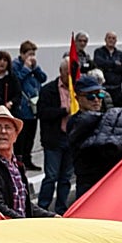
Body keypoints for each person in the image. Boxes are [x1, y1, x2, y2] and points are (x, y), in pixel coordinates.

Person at [0, 106, 56, 218]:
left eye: (8, 127)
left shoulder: (16, 163)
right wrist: (28, 225)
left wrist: (52, 217)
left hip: (18, 228)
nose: (3, 131)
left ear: (15, 135)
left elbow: (25, 205)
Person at [66, 77, 122, 198]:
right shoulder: (77, 122)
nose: (96, 100)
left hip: (107, 180)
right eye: (90, 96)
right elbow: (102, 140)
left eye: (100, 95)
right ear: (78, 99)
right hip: (88, 184)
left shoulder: (103, 118)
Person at [36, 58, 76, 214]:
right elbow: (42, 113)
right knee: (51, 176)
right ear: (61, 72)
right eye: (68, 73)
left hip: (71, 138)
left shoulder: (76, 90)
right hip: (54, 138)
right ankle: (42, 207)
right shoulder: (48, 90)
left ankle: (61, 208)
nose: (70, 77)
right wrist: (63, 111)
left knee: (66, 178)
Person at [12, 41, 46, 170]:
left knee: (31, 136)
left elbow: (43, 78)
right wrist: (26, 69)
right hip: (22, 106)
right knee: (22, 136)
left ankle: (28, 159)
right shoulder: (16, 66)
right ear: (22, 54)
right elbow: (16, 81)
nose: (31, 57)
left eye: (33, 54)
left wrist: (35, 68)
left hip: (34, 106)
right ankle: (19, 160)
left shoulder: (34, 66)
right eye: (29, 54)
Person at [93, 31, 122, 104]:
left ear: (116, 41)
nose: (111, 40)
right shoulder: (98, 52)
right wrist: (114, 64)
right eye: (109, 38)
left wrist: (107, 67)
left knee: (117, 107)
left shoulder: (120, 54)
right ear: (105, 39)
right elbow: (98, 63)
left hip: (117, 88)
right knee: (102, 105)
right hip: (103, 88)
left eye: (113, 38)